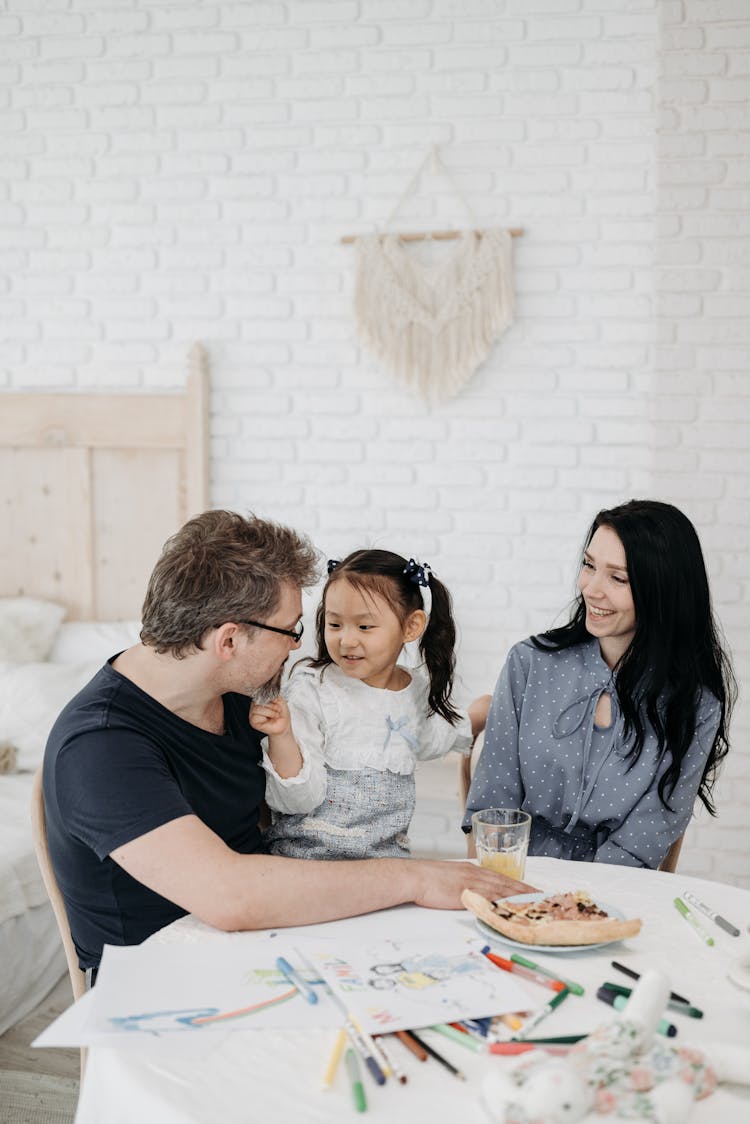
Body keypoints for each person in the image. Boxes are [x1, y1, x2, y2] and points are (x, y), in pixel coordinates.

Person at [43, 510, 529, 975]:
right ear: (229, 640)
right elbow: (231, 896)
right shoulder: (101, 748)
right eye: (292, 630)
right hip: (163, 978)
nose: (299, 646)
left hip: (269, 941)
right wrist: (418, 877)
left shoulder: (241, 697)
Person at [463, 500, 736, 868]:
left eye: (617, 578)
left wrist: (580, 904)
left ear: (663, 590)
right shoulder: (529, 663)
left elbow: (649, 832)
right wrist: (508, 888)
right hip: (517, 875)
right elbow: (493, 802)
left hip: (615, 892)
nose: (591, 589)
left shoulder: (696, 706)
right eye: (589, 566)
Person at [250, 549, 492, 859]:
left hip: (386, 864)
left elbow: (430, 739)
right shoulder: (314, 688)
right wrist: (282, 736)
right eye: (335, 625)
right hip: (308, 861)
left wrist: (477, 715)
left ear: (411, 627)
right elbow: (295, 800)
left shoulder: (413, 689)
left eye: (364, 627)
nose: (347, 641)